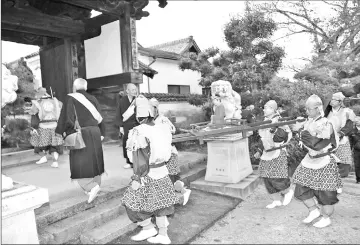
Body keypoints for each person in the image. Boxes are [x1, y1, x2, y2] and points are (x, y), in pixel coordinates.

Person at [121, 96, 178, 244]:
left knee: (132, 203)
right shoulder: (162, 127)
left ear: (138, 117)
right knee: (161, 205)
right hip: (163, 172)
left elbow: (135, 157)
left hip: (146, 174)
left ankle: (147, 228)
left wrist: (137, 177)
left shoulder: (138, 131)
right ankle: (163, 234)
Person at [292, 94, 342, 228]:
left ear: (318, 108)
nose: (306, 111)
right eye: (306, 109)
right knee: (301, 188)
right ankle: (313, 210)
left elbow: (317, 144)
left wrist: (301, 131)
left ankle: (326, 218)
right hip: (310, 160)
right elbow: (305, 145)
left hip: (324, 161)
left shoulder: (326, 123)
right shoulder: (309, 122)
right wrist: (301, 130)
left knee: (325, 194)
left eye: (309, 109)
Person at [55, 78, 105, 204]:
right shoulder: (93, 98)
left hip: (81, 133)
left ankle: (90, 186)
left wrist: (60, 132)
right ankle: (96, 183)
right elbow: (100, 117)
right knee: (95, 159)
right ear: (86, 87)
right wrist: (102, 133)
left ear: (74, 87)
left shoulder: (70, 98)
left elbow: (66, 118)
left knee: (79, 162)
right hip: (95, 131)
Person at [149, 97, 192, 206]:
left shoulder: (161, 120)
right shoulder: (154, 120)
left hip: (168, 153)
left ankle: (183, 193)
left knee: (172, 177)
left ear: (155, 108)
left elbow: (169, 132)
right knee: (168, 177)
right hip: (162, 154)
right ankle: (175, 197)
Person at [254, 100, 294, 209]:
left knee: (277, 177)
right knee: (266, 177)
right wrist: (259, 150)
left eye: (266, 107)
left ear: (273, 109)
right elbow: (263, 139)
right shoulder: (265, 121)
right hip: (267, 153)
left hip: (277, 152)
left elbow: (284, 136)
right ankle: (276, 200)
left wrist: (274, 131)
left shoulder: (279, 120)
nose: (264, 109)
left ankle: (287, 192)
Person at [27, 87, 63, 168]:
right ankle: (55, 162)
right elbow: (61, 105)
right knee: (54, 145)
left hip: (43, 127)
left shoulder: (38, 102)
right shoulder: (56, 101)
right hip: (55, 126)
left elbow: (32, 112)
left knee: (36, 142)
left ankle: (43, 157)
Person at [324, 92, 356, 178]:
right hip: (327, 140)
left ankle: (337, 180)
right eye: (332, 99)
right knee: (326, 161)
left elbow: (349, 126)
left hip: (342, 140)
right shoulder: (326, 113)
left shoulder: (348, 112)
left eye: (334, 100)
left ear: (340, 101)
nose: (332, 101)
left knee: (343, 162)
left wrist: (340, 134)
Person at [116, 84, 139, 169]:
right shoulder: (122, 101)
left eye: (135, 89)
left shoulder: (137, 100)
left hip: (136, 124)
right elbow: (118, 114)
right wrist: (120, 126)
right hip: (126, 125)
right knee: (127, 142)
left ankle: (137, 161)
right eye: (132, 90)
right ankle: (129, 161)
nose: (134, 91)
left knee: (137, 142)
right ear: (127, 91)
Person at [349, 116, 360, 183]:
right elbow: (350, 142)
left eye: (358, 120)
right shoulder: (352, 131)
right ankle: (358, 179)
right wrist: (350, 151)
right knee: (357, 165)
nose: (357, 122)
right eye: (355, 121)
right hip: (356, 150)